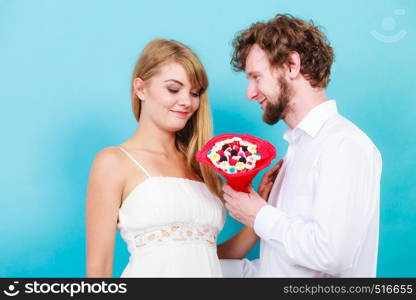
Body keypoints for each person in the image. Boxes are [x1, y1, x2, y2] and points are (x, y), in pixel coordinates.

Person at [218, 14, 382, 277]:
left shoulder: (343, 144)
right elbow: (287, 269)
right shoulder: (298, 150)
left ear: (292, 65)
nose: (250, 93)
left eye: (256, 77)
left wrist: (259, 215)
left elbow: (332, 255)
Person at [86, 39, 226, 277]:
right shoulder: (114, 162)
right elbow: (99, 269)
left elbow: (205, 255)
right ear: (140, 89)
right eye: (173, 89)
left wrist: (258, 217)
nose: (186, 102)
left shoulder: (201, 166)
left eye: (194, 93)